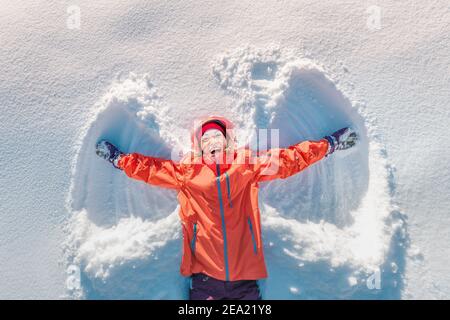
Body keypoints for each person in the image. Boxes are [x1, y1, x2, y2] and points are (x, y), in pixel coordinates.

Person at [95, 115, 358, 300]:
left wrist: (329, 144)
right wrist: (119, 159)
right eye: (206, 139)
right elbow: (150, 170)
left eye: (216, 137)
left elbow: (290, 160)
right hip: (205, 280)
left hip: (245, 279)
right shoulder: (187, 172)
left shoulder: (246, 166)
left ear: (227, 142)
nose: (212, 143)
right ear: (199, 146)